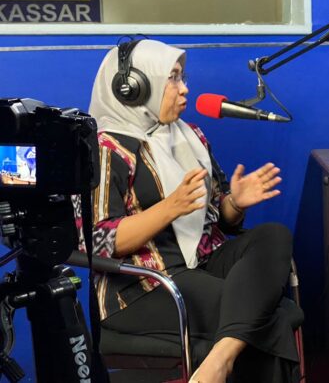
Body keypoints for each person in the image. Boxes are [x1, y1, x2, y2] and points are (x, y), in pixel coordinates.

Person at [87, 39, 299, 383]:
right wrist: (169, 208)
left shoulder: (190, 136)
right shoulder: (105, 148)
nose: (184, 88)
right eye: (172, 78)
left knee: (274, 235)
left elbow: (219, 220)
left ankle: (218, 361)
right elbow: (98, 244)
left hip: (203, 263)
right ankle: (221, 363)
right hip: (143, 284)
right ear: (134, 88)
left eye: (182, 77)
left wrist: (234, 204)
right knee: (273, 316)